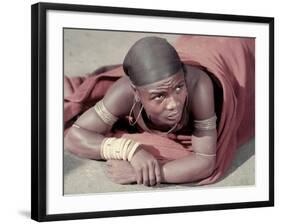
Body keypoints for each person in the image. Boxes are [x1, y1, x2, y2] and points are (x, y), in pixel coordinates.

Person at [64, 35, 255, 186]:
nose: (173, 103)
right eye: (159, 96)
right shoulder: (124, 92)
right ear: (136, 93)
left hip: (238, 50)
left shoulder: (199, 86)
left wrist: (142, 173)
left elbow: (205, 161)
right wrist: (130, 150)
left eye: (179, 88)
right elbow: (75, 137)